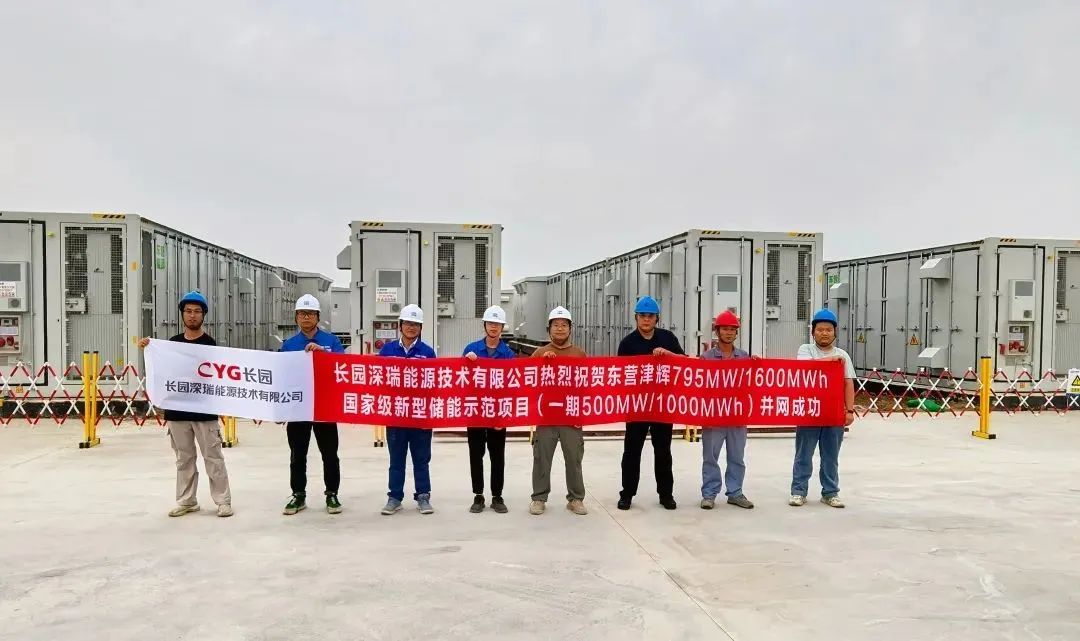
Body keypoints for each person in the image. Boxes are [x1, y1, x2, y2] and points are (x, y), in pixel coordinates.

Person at [138, 291, 233, 518]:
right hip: (177, 412)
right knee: (184, 458)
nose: (192, 315)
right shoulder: (172, 344)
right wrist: (148, 347)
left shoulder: (210, 345)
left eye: (197, 311)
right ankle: (187, 500)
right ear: (182, 314)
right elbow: (163, 371)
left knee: (213, 458)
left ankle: (223, 501)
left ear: (204, 315)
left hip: (204, 411)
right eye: (188, 311)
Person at [617, 296, 685, 511]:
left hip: (662, 406)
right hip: (637, 406)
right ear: (636, 318)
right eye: (642, 316)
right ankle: (627, 494)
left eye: (650, 316)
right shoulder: (627, 343)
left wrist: (668, 354)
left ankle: (666, 494)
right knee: (632, 451)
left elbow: (685, 364)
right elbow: (619, 375)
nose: (646, 319)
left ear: (657, 318)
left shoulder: (668, 338)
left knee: (663, 451)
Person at [280, 294, 346, 516]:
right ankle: (298, 494)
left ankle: (332, 494)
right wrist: (279, 409)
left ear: (318, 317)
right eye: (301, 314)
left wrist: (323, 354)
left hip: (324, 407)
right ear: (296, 317)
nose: (306, 317)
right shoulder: (289, 345)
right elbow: (281, 377)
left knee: (330, 454)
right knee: (297, 454)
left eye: (310, 314)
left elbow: (342, 367)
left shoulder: (331, 341)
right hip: (298, 408)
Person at [790, 308, 856, 509]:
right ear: (813, 332)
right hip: (809, 412)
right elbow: (805, 367)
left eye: (828, 329)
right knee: (803, 455)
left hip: (833, 414)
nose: (824, 333)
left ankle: (830, 492)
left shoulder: (842, 355)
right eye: (820, 329)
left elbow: (848, 383)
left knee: (830, 457)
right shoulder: (805, 349)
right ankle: (798, 492)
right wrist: (830, 361)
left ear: (835, 332)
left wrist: (849, 410)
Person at [529, 306, 589, 516]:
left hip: (571, 416)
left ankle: (576, 498)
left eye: (564, 325)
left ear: (570, 329)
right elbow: (527, 382)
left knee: (574, 458)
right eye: (556, 325)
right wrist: (542, 363)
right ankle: (539, 498)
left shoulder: (579, 354)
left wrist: (582, 414)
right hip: (546, 416)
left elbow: (588, 385)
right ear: (549, 329)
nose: (560, 329)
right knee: (542, 459)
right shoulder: (539, 353)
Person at [379, 304, 438, 516]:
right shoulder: (387, 351)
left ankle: (423, 496)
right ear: (400, 325)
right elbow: (377, 379)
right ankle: (395, 497)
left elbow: (435, 384)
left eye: (416, 324)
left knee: (421, 459)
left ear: (420, 327)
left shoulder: (427, 353)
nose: (411, 327)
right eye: (408, 323)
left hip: (420, 416)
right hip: (395, 415)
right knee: (396, 460)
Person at [699, 311, 755, 510]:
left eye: (732, 329)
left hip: (737, 415)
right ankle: (709, 493)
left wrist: (757, 365)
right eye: (725, 329)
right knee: (710, 457)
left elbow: (752, 383)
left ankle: (735, 492)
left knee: (737, 457)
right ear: (717, 331)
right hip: (714, 415)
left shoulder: (744, 357)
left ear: (736, 333)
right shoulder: (706, 358)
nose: (729, 332)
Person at [463, 305, 515, 514]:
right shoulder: (471, 349)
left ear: (502, 327)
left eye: (498, 324)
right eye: (491, 323)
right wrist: (467, 363)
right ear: (484, 325)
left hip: (498, 413)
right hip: (476, 411)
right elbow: (462, 380)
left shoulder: (508, 354)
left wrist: (503, 417)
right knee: (476, 455)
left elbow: (512, 386)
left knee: (497, 455)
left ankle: (497, 496)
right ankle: (478, 495)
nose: (494, 327)